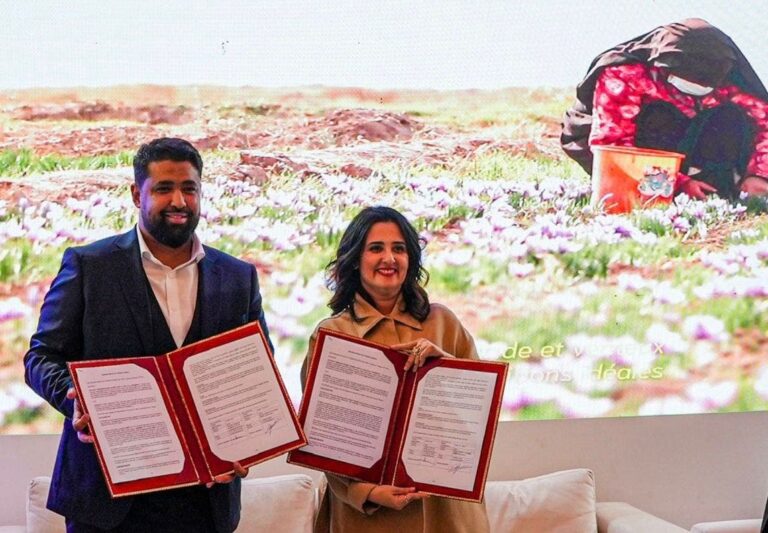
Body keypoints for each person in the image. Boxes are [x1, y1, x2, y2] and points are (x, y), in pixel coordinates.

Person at [24, 137, 272, 532]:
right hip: (107, 502)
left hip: (205, 500)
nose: (179, 201)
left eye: (189, 188)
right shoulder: (89, 266)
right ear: (136, 194)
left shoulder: (238, 277)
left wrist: (250, 441)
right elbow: (40, 357)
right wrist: (76, 400)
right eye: (163, 189)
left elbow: (258, 373)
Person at [301, 206, 489, 533]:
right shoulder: (331, 335)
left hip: (446, 512)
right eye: (376, 248)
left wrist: (444, 366)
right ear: (355, 260)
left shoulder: (444, 322)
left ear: (411, 259)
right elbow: (321, 438)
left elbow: (479, 413)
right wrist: (366, 492)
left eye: (399, 249)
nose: (389, 258)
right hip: (367, 518)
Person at [561, 18, 768, 200]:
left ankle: (719, 187)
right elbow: (613, 146)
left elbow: (764, 121)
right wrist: (678, 182)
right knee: (661, 114)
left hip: (687, 143)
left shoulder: (723, 78)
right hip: (626, 152)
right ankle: (664, 189)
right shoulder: (626, 74)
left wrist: (759, 174)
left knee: (731, 117)